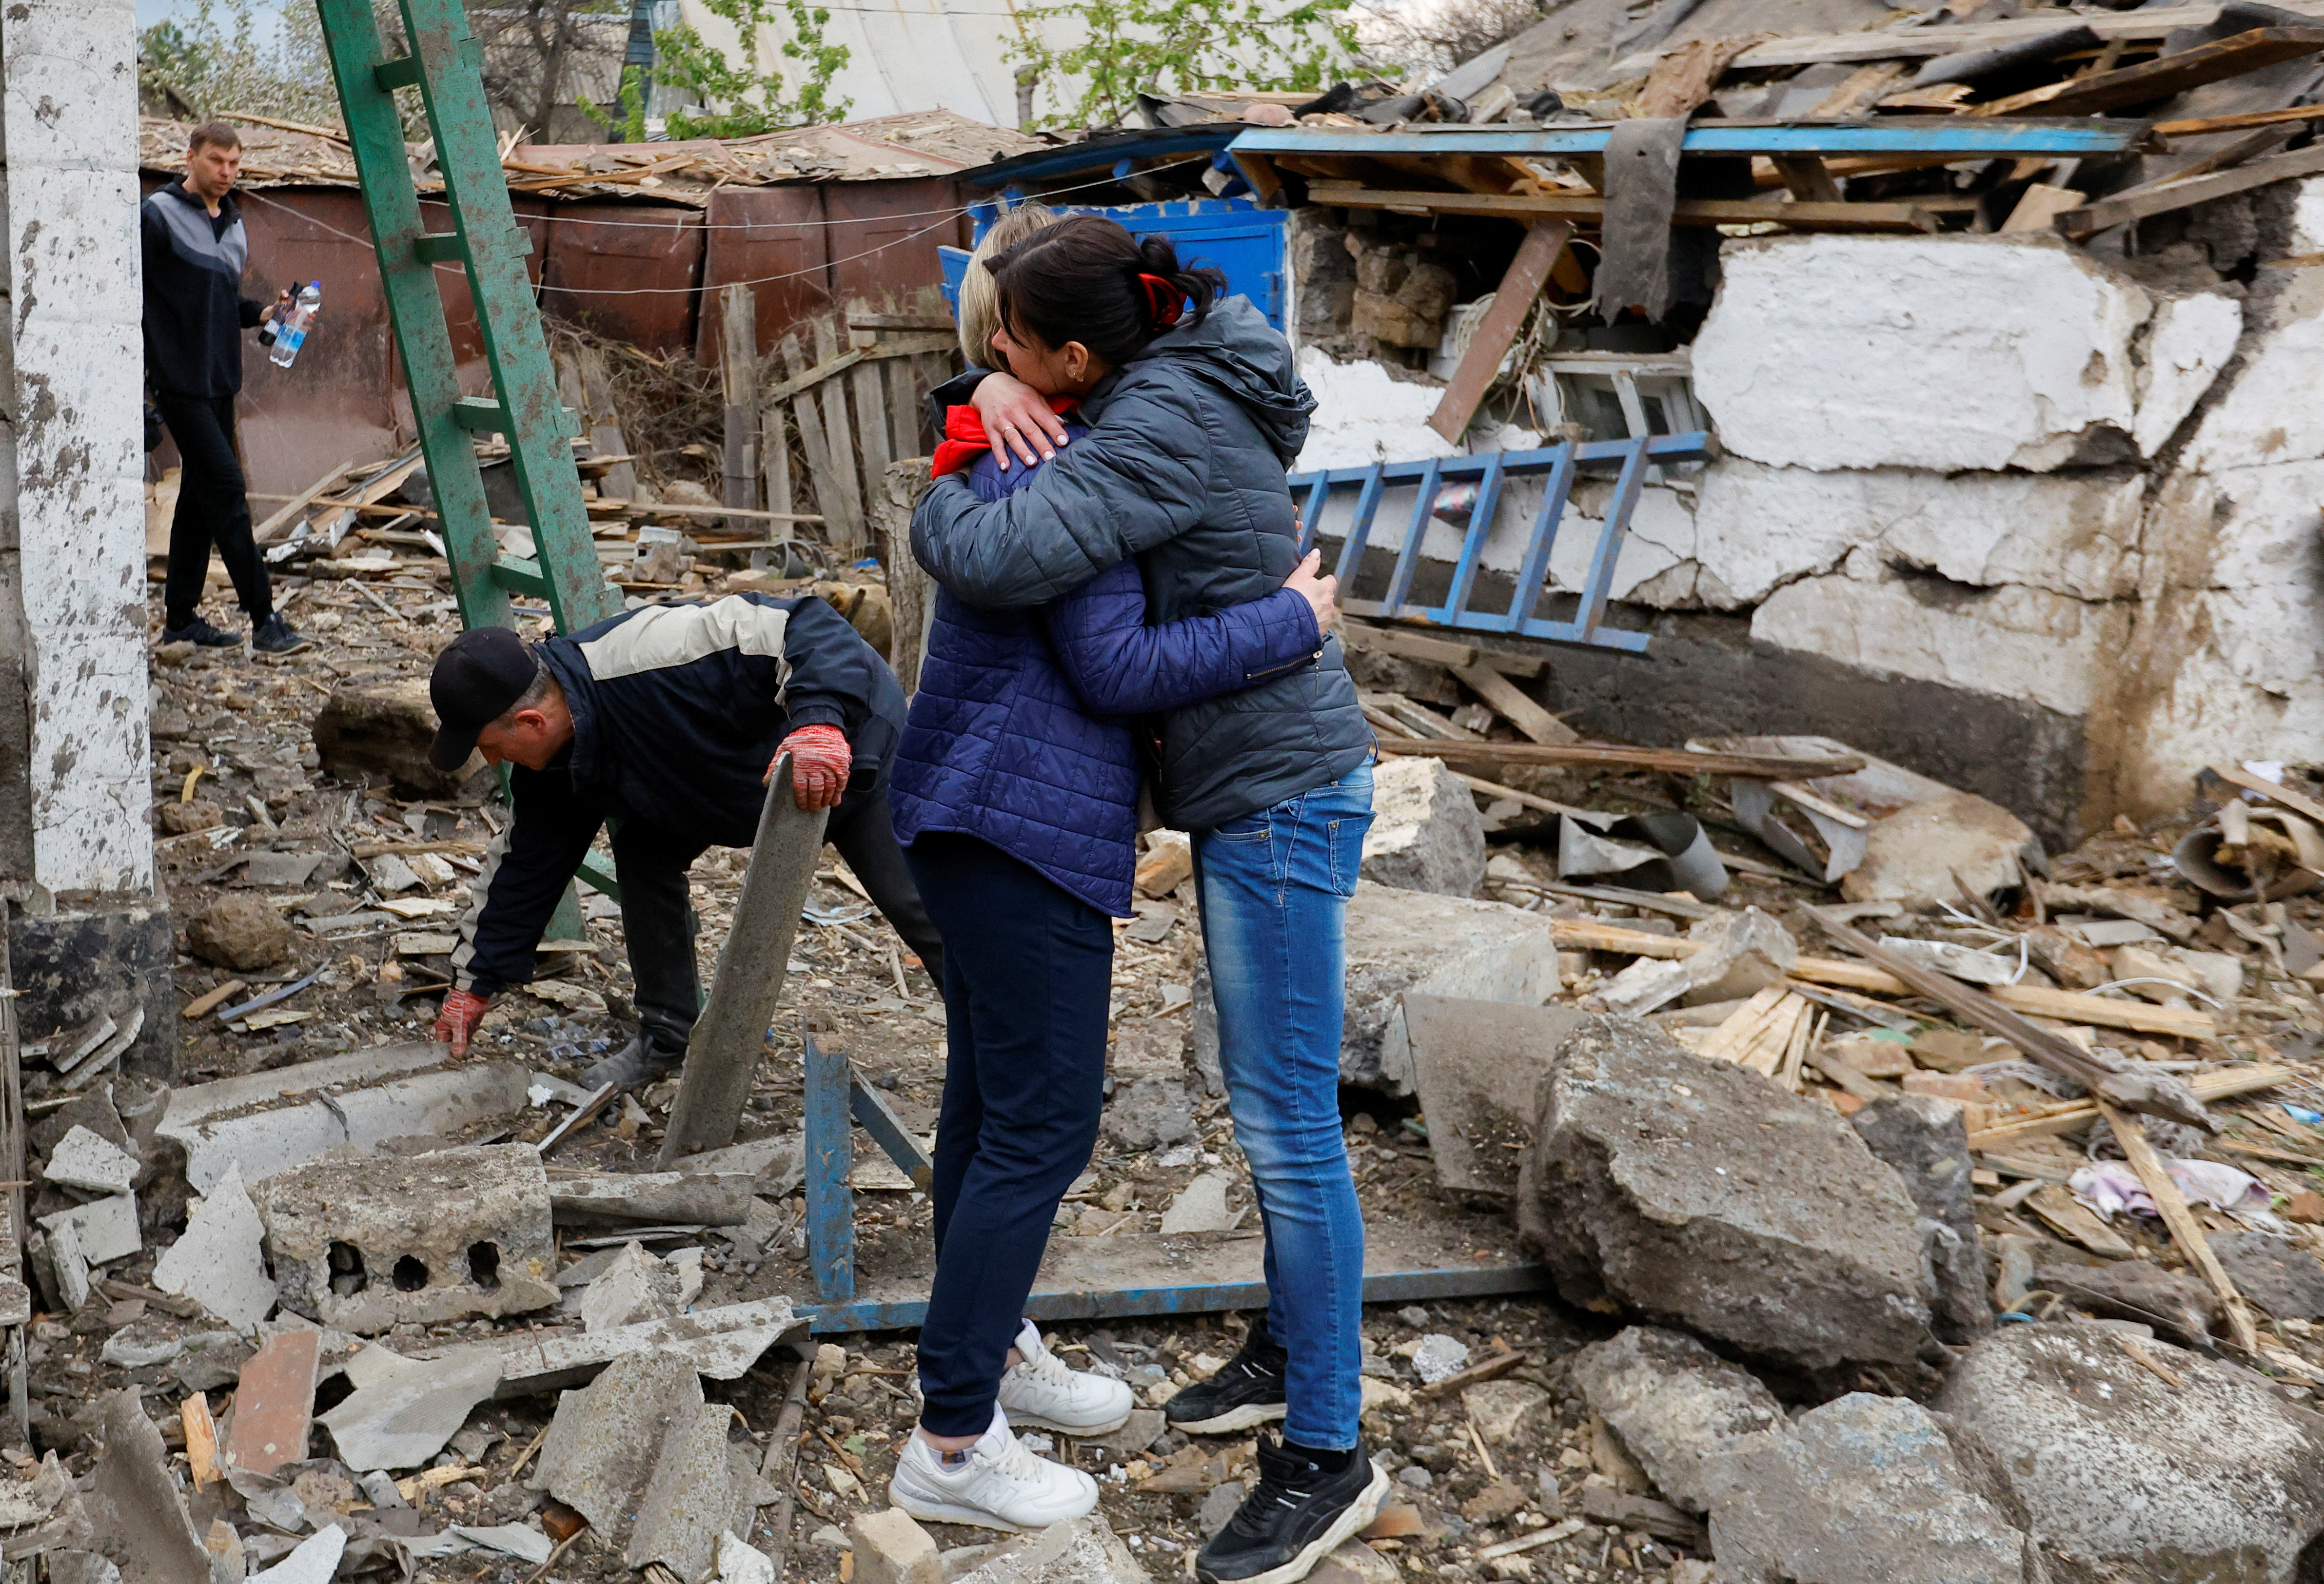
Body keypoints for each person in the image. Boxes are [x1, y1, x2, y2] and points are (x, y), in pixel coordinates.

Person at [912, 216, 1382, 1584]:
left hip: (1276, 789)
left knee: (1289, 1126)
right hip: (1260, 781)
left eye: (1011, 340)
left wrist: (947, 465)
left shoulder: (1153, 420)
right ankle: (1296, 1350)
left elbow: (993, 552)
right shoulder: (1166, 382)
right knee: (1266, 1110)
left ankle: (1326, 1449)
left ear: (1073, 353)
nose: (996, 356)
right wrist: (980, 393)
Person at [425, 593, 945, 1088]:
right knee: (643, 856)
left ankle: (1000, 1041)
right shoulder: (554, 765)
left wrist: (819, 724)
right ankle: (667, 1035)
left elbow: (809, 625)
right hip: (718, 776)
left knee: (920, 904)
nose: (491, 762)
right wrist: (474, 985)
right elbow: (524, 868)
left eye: (489, 746)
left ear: (530, 720)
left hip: (846, 744)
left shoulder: (651, 652)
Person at [141, 121, 308, 655]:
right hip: (175, 380)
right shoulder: (157, 216)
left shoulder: (235, 226)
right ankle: (264, 618)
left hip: (220, 381)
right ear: (191, 157)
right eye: (217, 161)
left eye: (235, 164)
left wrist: (267, 312)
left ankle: (182, 619)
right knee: (228, 489)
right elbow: (128, 293)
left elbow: (224, 303)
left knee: (198, 495)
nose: (227, 173)